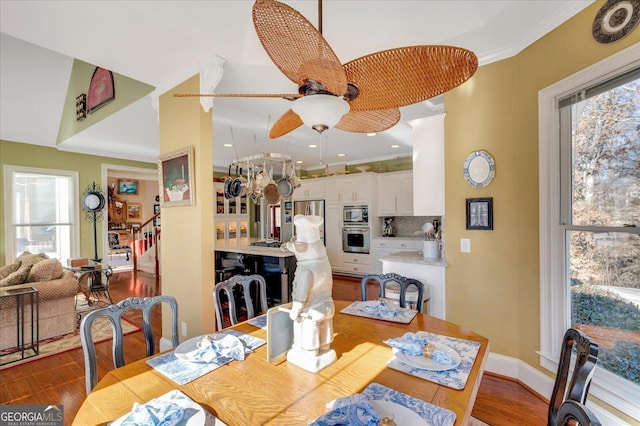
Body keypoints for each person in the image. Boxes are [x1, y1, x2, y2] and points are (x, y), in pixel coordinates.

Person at [282, 214, 336, 372]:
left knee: (306, 330)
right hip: (327, 305)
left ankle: (310, 351)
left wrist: (296, 309)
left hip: (310, 311)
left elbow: (301, 294)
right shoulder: (324, 264)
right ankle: (325, 347)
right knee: (325, 328)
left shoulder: (306, 269)